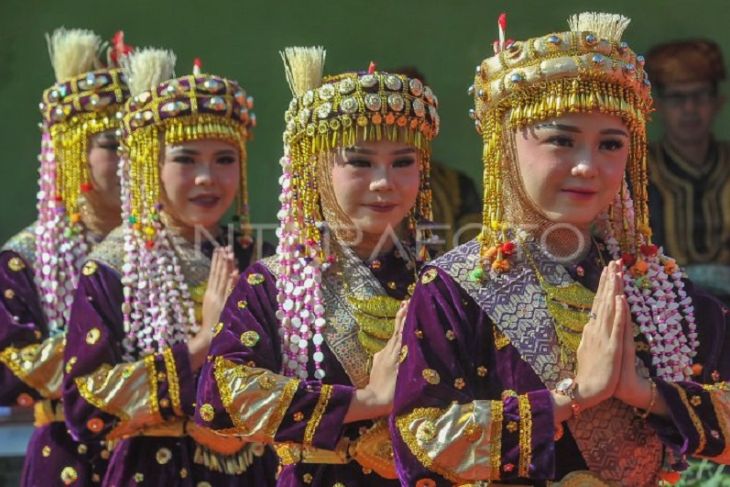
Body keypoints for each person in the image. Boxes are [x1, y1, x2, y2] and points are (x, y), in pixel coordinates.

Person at [391, 12, 730, 486]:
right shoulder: (456, 289)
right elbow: (420, 441)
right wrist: (574, 397)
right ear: (504, 146)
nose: (588, 166)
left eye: (610, 144)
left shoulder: (655, 286)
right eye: (562, 141)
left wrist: (648, 394)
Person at [194, 47, 439, 486]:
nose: (385, 182)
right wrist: (367, 400)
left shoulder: (439, 281)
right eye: (360, 162)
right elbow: (225, 399)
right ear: (315, 169)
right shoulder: (272, 283)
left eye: (403, 162)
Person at [61, 47, 276, 485]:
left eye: (224, 159)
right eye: (185, 159)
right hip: (156, 468)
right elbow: (84, 406)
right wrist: (199, 347)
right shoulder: (114, 266)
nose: (207, 178)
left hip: (254, 469)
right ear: (151, 165)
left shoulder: (260, 257)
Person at [0, 27, 131, 485]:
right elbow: (9, 372)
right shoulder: (26, 257)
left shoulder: (183, 250)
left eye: (142, 146)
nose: (132, 161)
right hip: (66, 452)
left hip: (162, 454)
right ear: (74, 149)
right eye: (114, 146)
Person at [646, 39, 730, 303]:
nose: (690, 109)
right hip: (659, 312)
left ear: (718, 101)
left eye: (700, 95)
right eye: (677, 98)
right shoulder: (635, 169)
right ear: (656, 105)